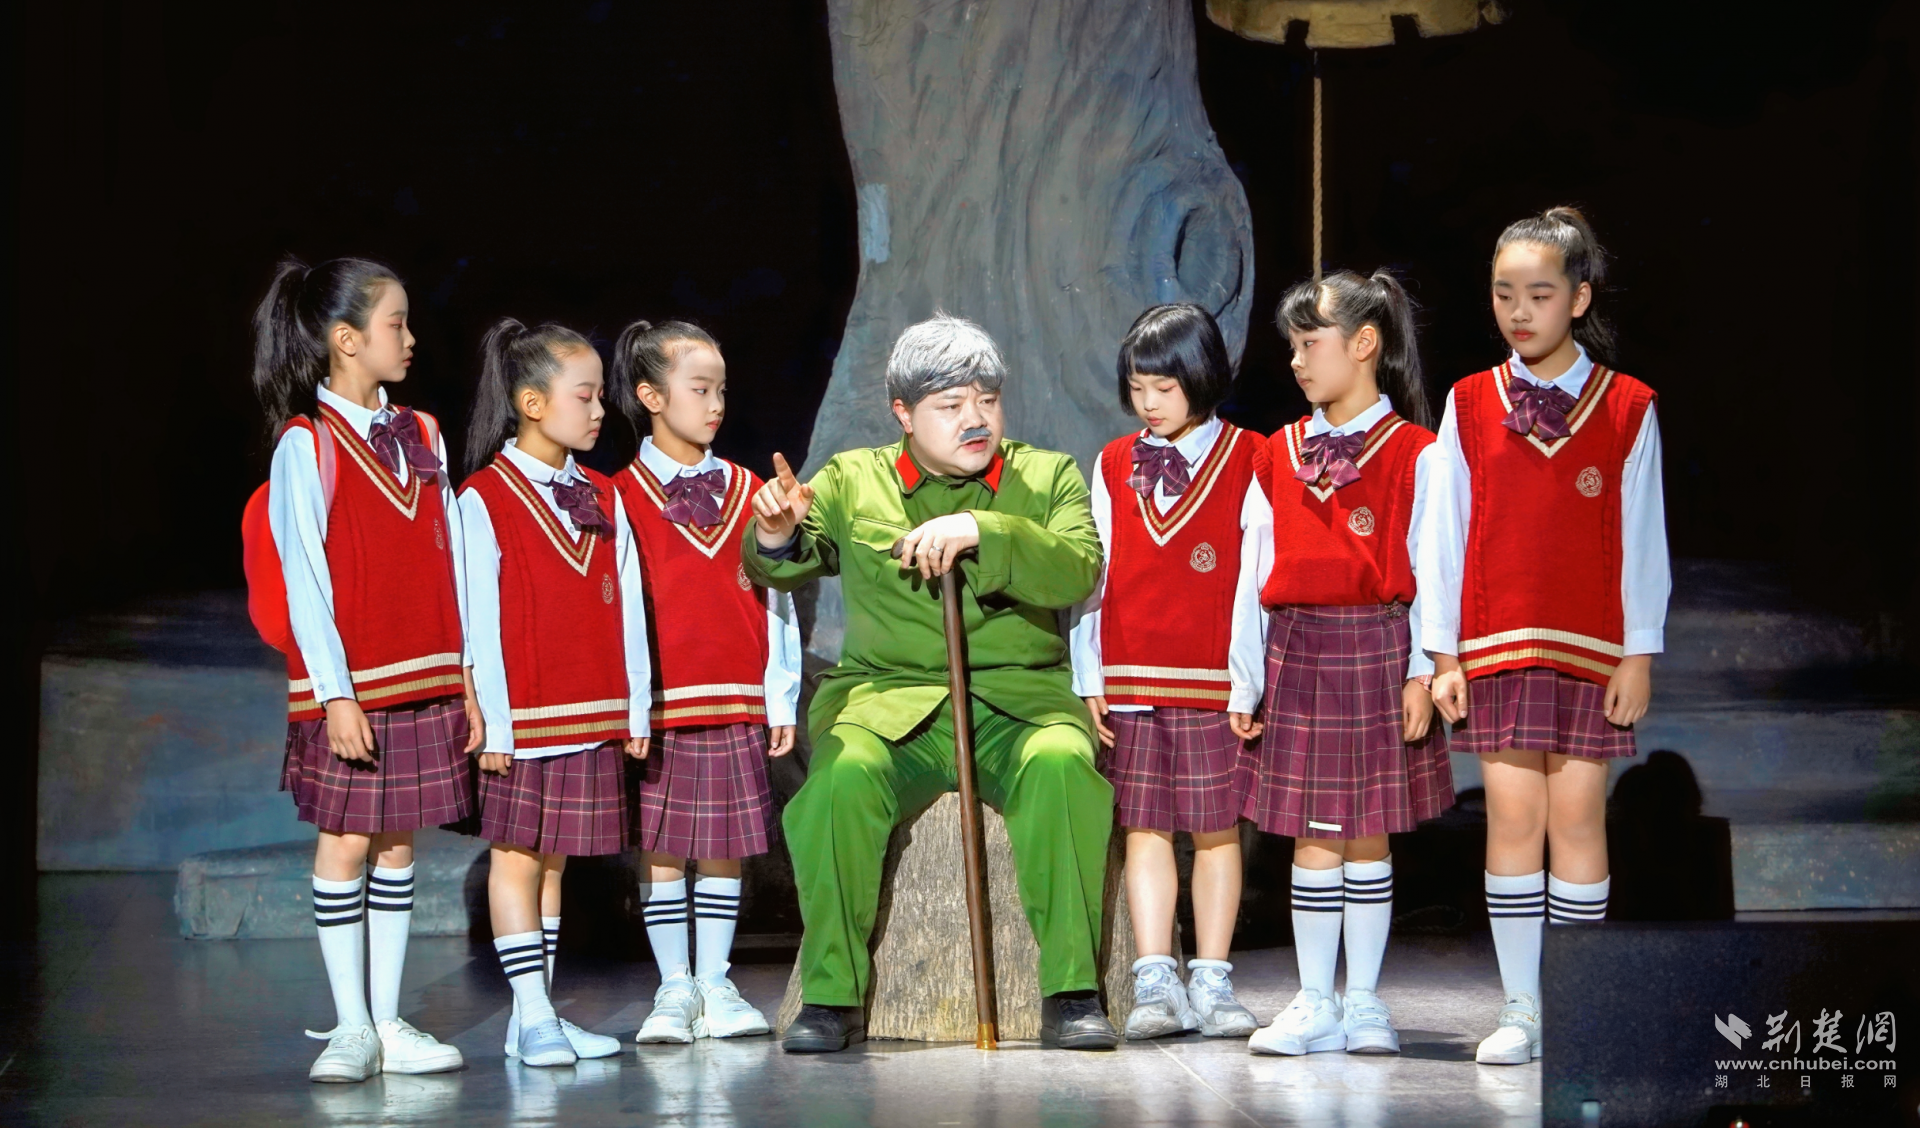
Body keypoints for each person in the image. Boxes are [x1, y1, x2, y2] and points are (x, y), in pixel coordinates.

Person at [744, 313, 1119, 1053]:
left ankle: (1072, 992)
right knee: (839, 781)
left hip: (1018, 703)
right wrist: (777, 533)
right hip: (889, 704)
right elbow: (784, 565)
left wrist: (985, 530)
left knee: (1063, 767)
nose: (975, 418)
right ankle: (831, 995)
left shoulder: (1046, 476)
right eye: (951, 405)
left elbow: (1079, 566)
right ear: (904, 414)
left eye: (988, 399)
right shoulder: (854, 477)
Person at [1417, 207, 1668, 1065]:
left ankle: (1577, 1003)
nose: (1519, 312)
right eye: (1503, 294)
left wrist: (1639, 650)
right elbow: (1444, 534)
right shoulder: (1469, 402)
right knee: (1513, 819)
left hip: (1591, 649)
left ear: (1578, 298)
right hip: (1496, 645)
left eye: (1539, 294)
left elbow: (1643, 535)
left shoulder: (1627, 406)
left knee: (1579, 818)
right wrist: (1442, 653)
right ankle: (1523, 1006)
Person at [253, 257, 477, 1083]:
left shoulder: (424, 434)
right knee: (345, 841)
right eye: (396, 324)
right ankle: (350, 1025)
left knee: (396, 844)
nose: (411, 339)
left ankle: (387, 1021)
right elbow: (305, 578)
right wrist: (335, 695)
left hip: (425, 677)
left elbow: (453, 560)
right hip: (355, 686)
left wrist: (470, 678)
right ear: (346, 340)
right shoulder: (306, 444)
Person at [1242, 270, 1452, 1057]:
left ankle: (1363, 1001)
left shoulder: (1417, 452)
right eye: (1292, 346)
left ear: (1365, 344)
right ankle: (1313, 999)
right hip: (1297, 650)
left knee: (1367, 834)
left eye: (1310, 343)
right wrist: (1245, 677)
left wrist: (1424, 671)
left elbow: (1433, 567)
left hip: (1378, 650)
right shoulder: (1276, 452)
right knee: (1311, 835)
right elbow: (1250, 572)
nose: (1297, 361)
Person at [1067, 303, 1271, 1041]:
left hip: (1212, 679)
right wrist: (1089, 672)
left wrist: (1247, 681)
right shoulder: (1113, 462)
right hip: (1130, 675)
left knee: (1216, 831)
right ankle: (1155, 980)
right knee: (1144, 827)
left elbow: (1255, 579)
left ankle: (1212, 980)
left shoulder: (1251, 458)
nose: (1148, 403)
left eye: (1163, 387)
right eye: (1137, 388)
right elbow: (1095, 574)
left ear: (1202, 377)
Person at [458, 319, 651, 1067]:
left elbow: (626, 605)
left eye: (601, 396)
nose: (600, 411)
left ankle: (531, 1018)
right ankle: (534, 1013)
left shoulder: (602, 494)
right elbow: (477, 623)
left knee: (556, 863)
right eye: (585, 396)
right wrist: (497, 725)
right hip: (525, 718)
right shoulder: (485, 497)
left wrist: (634, 705)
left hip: (592, 711)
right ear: (532, 403)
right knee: (518, 858)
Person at [608, 320, 803, 1043]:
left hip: (735, 694)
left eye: (722, 390)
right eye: (699, 390)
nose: (716, 405)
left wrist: (779, 693)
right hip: (663, 700)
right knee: (662, 844)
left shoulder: (751, 489)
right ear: (652, 396)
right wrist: (630, 704)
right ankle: (674, 986)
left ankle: (716, 981)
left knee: (724, 839)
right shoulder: (619, 496)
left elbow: (777, 601)